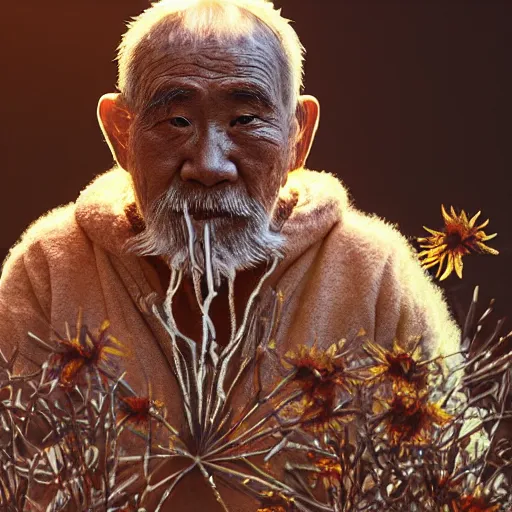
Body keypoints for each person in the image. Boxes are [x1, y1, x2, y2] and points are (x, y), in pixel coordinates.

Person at [0, 0, 460, 509]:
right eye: (176, 121)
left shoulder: (374, 274)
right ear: (120, 132)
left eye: (245, 119)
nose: (209, 165)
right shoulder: (49, 269)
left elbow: (448, 480)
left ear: (296, 135)